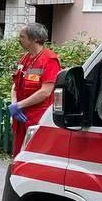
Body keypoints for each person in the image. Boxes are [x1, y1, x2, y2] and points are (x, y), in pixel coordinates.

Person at [9, 22, 61, 156]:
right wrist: (14, 104)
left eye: (22, 37)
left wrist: (19, 105)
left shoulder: (49, 60)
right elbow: (15, 85)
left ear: (34, 39)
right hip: (21, 116)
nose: (19, 40)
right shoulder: (25, 58)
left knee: (31, 155)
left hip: (37, 118)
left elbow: (46, 91)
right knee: (18, 154)